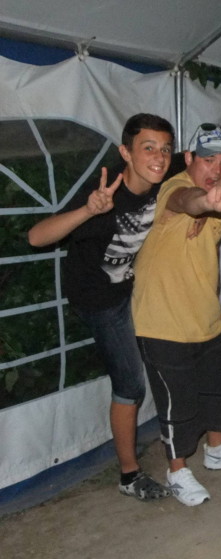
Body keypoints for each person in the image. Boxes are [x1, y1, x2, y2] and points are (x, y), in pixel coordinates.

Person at [28, 113, 175, 501]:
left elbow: (193, 164)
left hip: (133, 285)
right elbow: (36, 237)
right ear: (126, 152)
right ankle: (129, 475)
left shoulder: (165, 177)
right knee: (130, 383)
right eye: (148, 148)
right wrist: (88, 211)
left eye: (165, 149)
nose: (159, 157)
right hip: (98, 299)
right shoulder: (104, 193)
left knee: (170, 342)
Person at [131, 123, 221, 507]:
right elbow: (187, 201)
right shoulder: (173, 188)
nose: (216, 170)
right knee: (178, 403)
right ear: (188, 158)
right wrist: (206, 202)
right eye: (207, 160)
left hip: (205, 316)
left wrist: (213, 205)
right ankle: (177, 472)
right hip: (163, 321)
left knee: (218, 391)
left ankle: (217, 450)